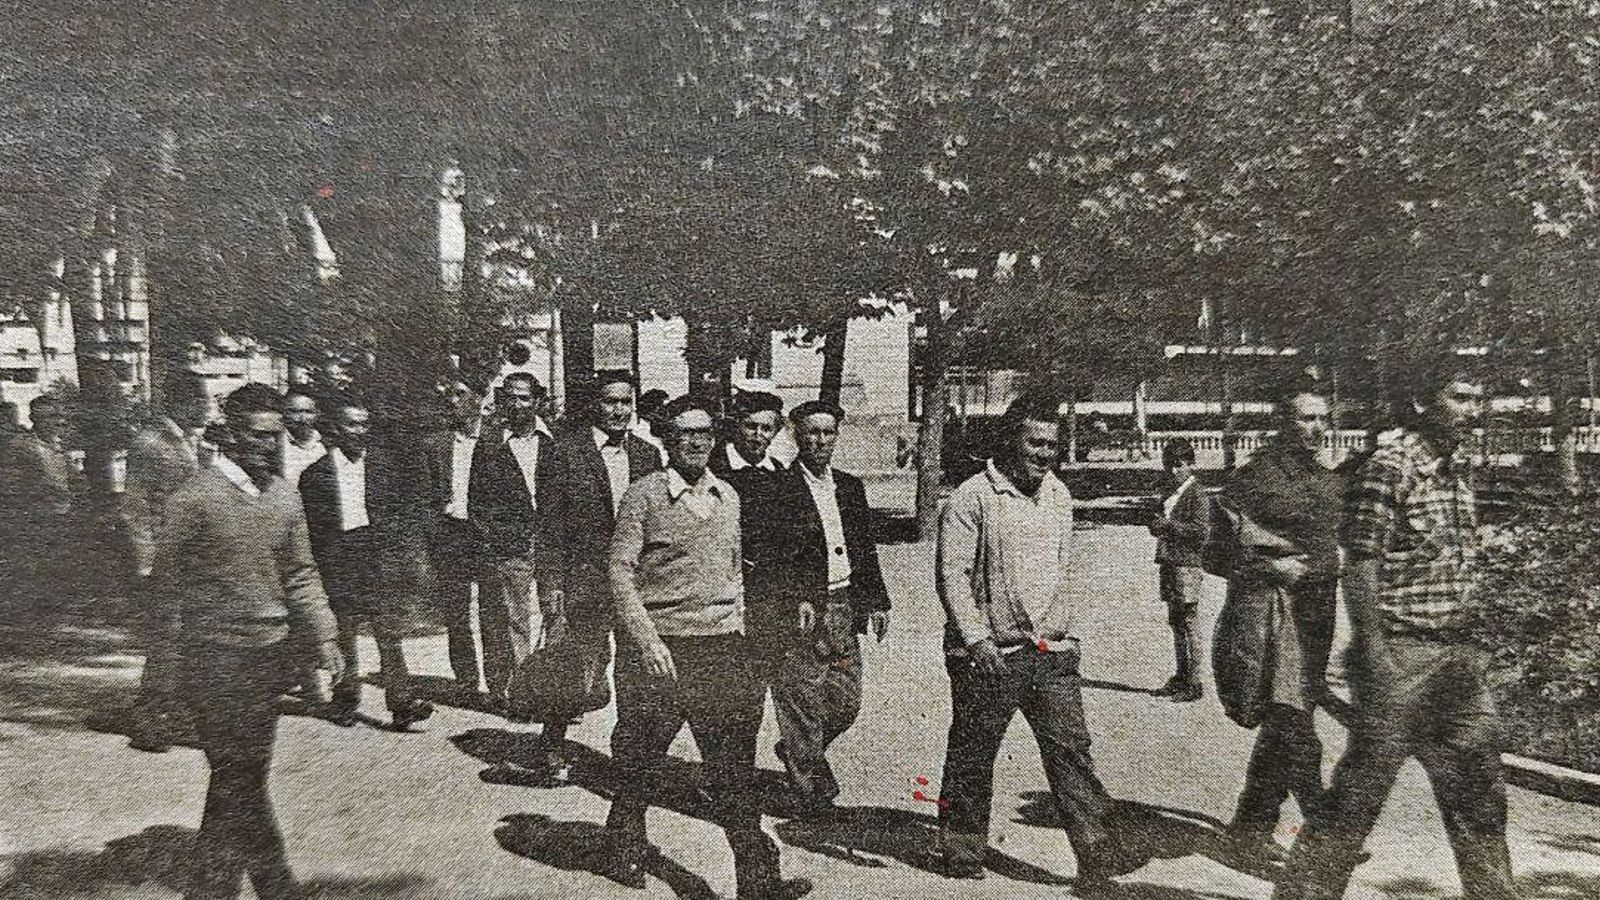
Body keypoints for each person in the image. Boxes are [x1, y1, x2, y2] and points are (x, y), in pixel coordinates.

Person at [1274, 354, 1509, 900]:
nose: (1473, 409)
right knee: (1358, 797)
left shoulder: (1456, 467)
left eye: (1478, 399)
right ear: (1424, 402)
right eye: (1460, 397)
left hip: (1457, 660)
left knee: (1481, 799)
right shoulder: (1390, 465)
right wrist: (1374, 652)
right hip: (1401, 656)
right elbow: (1360, 563)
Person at [933, 393, 1148, 887]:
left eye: (1052, 444)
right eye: (1035, 443)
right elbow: (952, 577)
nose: (1045, 454)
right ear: (1011, 441)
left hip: (1050, 653)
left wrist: (1067, 634)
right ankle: (961, 850)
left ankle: (1097, 859)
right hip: (989, 654)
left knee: (1071, 752)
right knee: (973, 751)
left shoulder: (1058, 495)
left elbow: (1060, 570)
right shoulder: (971, 497)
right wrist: (977, 640)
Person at [603, 394, 811, 900]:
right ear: (666, 438)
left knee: (733, 770)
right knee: (641, 756)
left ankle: (757, 882)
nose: (695, 442)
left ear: (714, 439)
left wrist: (738, 633)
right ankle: (623, 843)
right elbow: (619, 572)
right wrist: (646, 641)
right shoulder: (643, 495)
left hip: (720, 649)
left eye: (703, 433)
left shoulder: (727, 495)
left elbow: (735, 572)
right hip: (660, 650)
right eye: (684, 432)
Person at [145, 382, 344, 900]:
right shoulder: (193, 499)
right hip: (212, 658)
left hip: (267, 657)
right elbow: (165, 592)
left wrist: (325, 635)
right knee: (240, 777)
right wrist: (161, 680)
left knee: (240, 779)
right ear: (231, 434)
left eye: (276, 435)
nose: (269, 445)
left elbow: (300, 574)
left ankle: (212, 890)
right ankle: (277, 890)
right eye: (258, 435)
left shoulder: (284, 495)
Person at [496, 370, 661, 782]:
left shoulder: (648, 455)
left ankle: (627, 759)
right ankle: (552, 746)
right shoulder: (565, 452)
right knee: (573, 666)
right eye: (610, 402)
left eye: (625, 402)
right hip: (584, 581)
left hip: (635, 583)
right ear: (595, 405)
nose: (618, 410)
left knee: (634, 670)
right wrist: (551, 583)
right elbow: (550, 524)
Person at [1204, 382, 1344, 865]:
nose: (1316, 427)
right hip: (1273, 620)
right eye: (1306, 418)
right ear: (1282, 422)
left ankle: (1248, 830)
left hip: (1316, 618)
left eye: (1322, 418)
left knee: (1286, 724)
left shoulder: (1327, 479)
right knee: (1293, 722)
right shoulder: (1254, 478)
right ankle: (1326, 831)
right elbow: (1215, 553)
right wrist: (1270, 568)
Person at [765, 400, 890, 816]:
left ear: (837, 436)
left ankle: (797, 751)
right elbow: (773, 557)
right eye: (811, 433)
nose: (819, 441)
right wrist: (793, 597)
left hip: (844, 605)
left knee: (846, 702)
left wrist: (876, 601)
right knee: (801, 702)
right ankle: (811, 797)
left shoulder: (850, 487)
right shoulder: (780, 489)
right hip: (804, 612)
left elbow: (864, 548)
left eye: (827, 433)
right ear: (796, 435)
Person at [299, 393, 433, 730]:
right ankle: (345, 700)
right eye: (351, 424)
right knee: (344, 632)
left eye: (363, 424)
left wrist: (397, 549)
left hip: (376, 554)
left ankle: (402, 703)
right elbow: (313, 529)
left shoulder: (383, 467)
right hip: (338, 557)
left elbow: (402, 510)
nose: (358, 431)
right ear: (336, 428)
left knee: (388, 631)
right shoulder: (315, 475)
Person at [124, 393, 207, 753]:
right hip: (165, 553)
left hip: (191, 553)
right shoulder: (151, 442)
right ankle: (152, 716)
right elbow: (135, 504)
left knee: (185, 631)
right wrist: (145, 559)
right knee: (168, 633)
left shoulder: (188, 440)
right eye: (200, 399)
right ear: (182, 401)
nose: (206, 407)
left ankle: (175, 712)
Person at [468, 372, 555, 711]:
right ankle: (520, 691)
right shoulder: (489, 445)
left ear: (538, 401)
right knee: (513, 619)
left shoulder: (556, 441)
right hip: (510, 546)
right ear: (503, 401)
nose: (518, 405)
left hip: (551, 543)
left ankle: (558, 691)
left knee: (556, 615)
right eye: (512, 398)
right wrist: (496, 538)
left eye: (525, 398)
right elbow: (477, 502)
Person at [421, 375, 490, 691]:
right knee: (456, 612)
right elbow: (424, 497)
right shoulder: (435, 444)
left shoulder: (497, 439)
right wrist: (435, 532)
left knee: (493, 610)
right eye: (450, 394)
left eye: (461, 394)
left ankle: (499, 681)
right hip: (451, 534)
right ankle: (467, 681)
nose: (453, 400)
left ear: (479, 398)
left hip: (487, 535)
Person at [1147, 437, 1209, 702]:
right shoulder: (1169, 492)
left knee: (1189, 619)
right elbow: (1159, 522)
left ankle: (1195, 681)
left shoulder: (1197, 494)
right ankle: (1181, 675)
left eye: (1179, 465)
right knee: (1175, 621)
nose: (1173, 470)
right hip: (1169, 561)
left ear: (1191, 465)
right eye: (1169, 465)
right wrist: (1154, 524)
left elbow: (1201, 531)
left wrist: (1169, 527)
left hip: (1187, 564)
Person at [279, 388, 326, 483]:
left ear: (318, 414)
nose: (302, 418)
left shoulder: (327, 444)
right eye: (294, 411)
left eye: (308, 412)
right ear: (283, 413)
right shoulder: (277, 443)